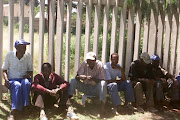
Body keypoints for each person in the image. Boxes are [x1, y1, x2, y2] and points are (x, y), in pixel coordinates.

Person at [2, 39, 33, 119]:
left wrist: (28, 75)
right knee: (17, 85)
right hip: (12, 79)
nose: (24, 49)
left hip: (23, 79)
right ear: (17, 48)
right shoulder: (10, 55)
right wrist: (6, 79)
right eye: (22, 47)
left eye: (25, 47)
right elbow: (4, 70)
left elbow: (30, 70)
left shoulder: (27, 56)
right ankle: (14, 110)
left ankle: (26, 107)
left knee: (25, 83)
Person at [68, 52, 107, 116]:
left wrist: (92, 78)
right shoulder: (85, 64)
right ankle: (68, 102)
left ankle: (102, 108)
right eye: (88, 61)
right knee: (73, 81)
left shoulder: (100, 64)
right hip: (85, 87)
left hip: (96, 88)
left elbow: (103, 79)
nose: (89, 63)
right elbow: (76, 77)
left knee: (103, 83)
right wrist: (81, 77)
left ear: (95, 60)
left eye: (91, 61)